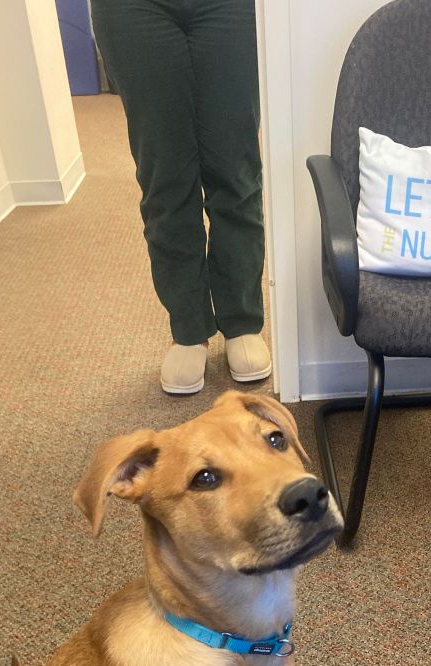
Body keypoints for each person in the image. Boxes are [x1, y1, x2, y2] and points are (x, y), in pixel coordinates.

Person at [90, 0, 271, 394]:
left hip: (231, 7)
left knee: (235, 169)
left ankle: (241, 321)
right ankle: (189, 329)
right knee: (165, 178)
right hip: (133, 10)